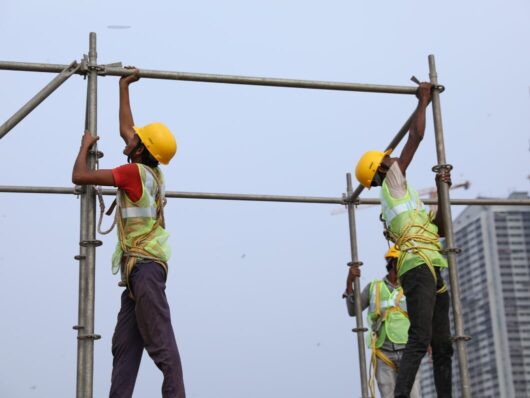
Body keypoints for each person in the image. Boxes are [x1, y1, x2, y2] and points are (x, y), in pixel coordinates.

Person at [72, 69, 186, 398]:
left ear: (138, 149)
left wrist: (85, 145)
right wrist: (123, 88)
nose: (130, 135)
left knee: (163, 349)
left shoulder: (131, 173)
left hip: (146, 271)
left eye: (136, 138)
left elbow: (80, 175)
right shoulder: (151, 171)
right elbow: (127, 128)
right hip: (138, 275)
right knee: (124, 349)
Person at [354, 82, 453, 398]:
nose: (393, 158)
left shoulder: (403, 197)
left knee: (442, 344)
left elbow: (441, 230)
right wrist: (422, 102)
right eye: (387, 159)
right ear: (382, 168)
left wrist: (441, 190)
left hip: (433, 267)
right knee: (420, 336)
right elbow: (416, 137)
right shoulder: (392, 185)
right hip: (418, 269)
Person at [344, 246, 421, 398]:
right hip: (383, 352)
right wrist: (349, 282)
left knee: (414, 395)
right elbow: (354, 310)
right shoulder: (374, 287)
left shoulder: (412, 287)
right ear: (393, 264)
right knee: (387, 394)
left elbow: (423, 317)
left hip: (408, 350)